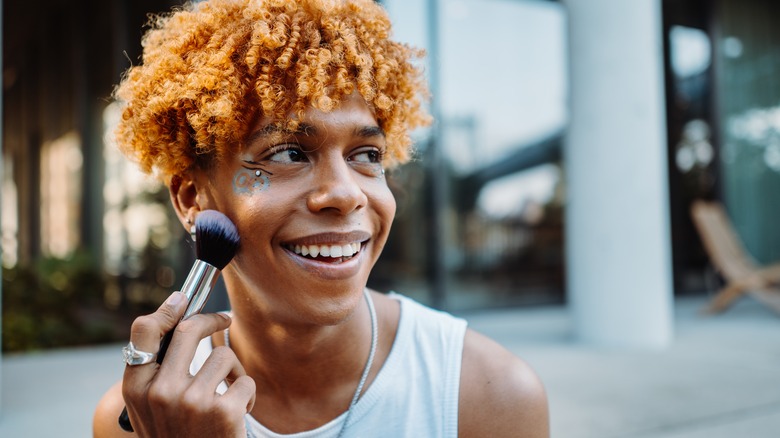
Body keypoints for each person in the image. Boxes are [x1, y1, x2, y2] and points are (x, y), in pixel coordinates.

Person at [93, 0, 549, 436]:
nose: (346, 194)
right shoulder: (144, 419)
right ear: (192, 197)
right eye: (289, 152)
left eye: (367, 154)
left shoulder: (487, 396)